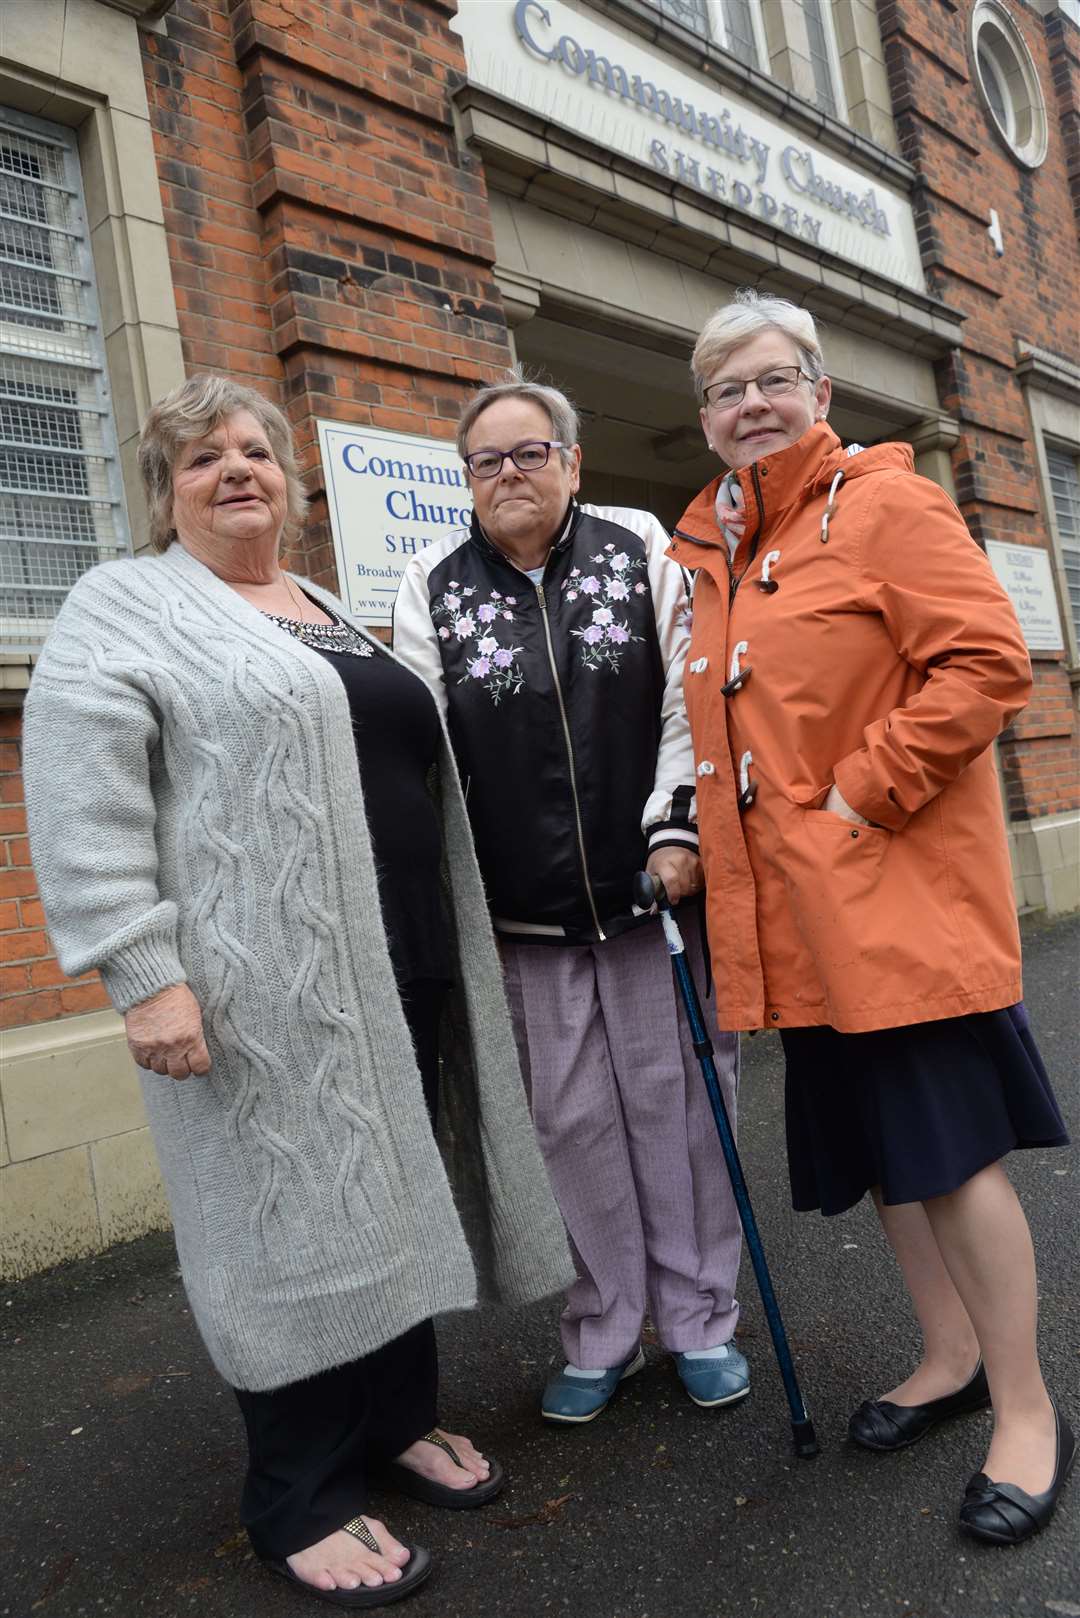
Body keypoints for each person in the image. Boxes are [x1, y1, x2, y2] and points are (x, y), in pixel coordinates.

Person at [22, 374, 572, 1608]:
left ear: (288, 478)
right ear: (165, 493)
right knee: (289, 1223)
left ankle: (392, 1423)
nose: (237, 470)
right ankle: (299, 1495)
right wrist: (142, 972)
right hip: (257, 985)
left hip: (401, 961)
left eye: (257, 450)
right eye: (202, 456)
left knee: (396, 1189)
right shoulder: (125, 606)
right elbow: (80, 796)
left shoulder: (321, 604)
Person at [670, 289, 1072, 1545]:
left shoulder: (889, 502)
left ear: (821, 392)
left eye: (773, 379)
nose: (752, 403)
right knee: (893, 1166)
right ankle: (948, 1359)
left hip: (895, 905)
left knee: (950, 1160)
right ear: (706, 417)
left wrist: (859, 794)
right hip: (795, 923)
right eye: (727, 389)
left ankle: (1028, 1411)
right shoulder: (715, 552)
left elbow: (988, 661)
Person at [393, 374, 747, 1425]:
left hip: (650, 899)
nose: (510, 474)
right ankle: (604, 1325)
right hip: (524, 921)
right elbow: (431, 749)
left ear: (572, 461)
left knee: (680, 1109)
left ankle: (701, 1318)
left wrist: (675, 823)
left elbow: (693, 696)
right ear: (466, 479)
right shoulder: (433, 582)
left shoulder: (637, 549)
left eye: (530, 452)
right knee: (571, 1121)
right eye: (487, 461)